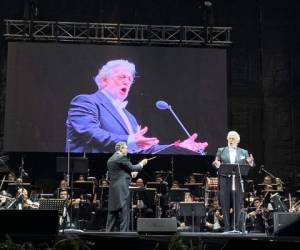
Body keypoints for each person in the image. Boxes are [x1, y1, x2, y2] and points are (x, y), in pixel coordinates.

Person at [66, 59, 208, 154]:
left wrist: (178, 147)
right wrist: (129, 140)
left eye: (130, 79)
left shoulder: (130, 117)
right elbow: (92, 134)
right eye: (122, 77)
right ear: (104, 80)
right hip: (91, 174)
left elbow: (140, 150)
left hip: (124, 177)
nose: (127, 82)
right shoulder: (85, 102)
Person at [212, 130, 254, 232]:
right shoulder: (221, 150)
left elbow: (249, 165)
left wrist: (250, 162)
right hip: (224, 180)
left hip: (238, 181)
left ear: (237, 141)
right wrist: (216, 164)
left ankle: (236, 227)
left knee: (237, 204)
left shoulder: (243, 152)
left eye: (233, 139)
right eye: (229, 138)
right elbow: (215, 162)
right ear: (227, 139)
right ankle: (227, 228)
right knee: (225, 204)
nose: (231, 140)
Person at [106, 141, 148, 232]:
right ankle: (123, 236)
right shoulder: (121, 157)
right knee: (125, 215)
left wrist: (130, 175)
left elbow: (120, 173)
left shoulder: (110, 159)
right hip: (122, 190)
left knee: (112, 214)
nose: (127, 150)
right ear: (121, 149)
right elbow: (133, 167)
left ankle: (107, 234)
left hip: (114, 190)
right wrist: (142, 163)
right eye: (126, 148)